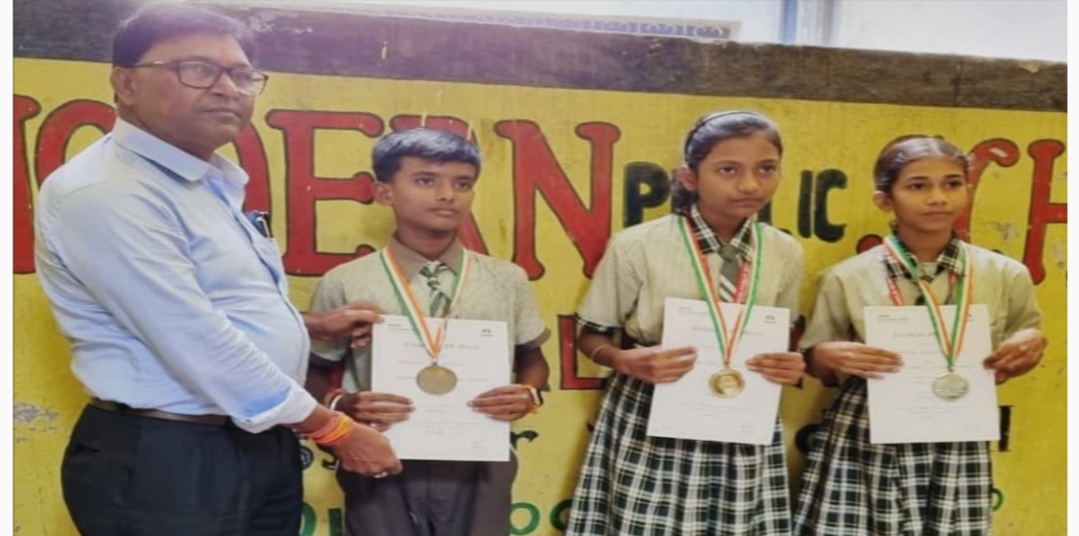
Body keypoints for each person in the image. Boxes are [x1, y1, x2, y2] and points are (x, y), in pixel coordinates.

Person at [33, 4, 400, 535]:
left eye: (241, 74)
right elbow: (193, 335)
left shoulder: (207, 183)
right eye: (198, 70)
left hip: (251, 442)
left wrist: (311, 326)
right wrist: (335, 430)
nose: (228, 88)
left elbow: (206, 303)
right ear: (125, 83)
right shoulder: (108, 190)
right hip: (168, 458)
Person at [565, 110, 806, 535]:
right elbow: (591, 335)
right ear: (690, 177)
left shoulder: (785, 251)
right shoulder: (639, 246)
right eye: (728, 170)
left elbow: (779, 334)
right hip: (652, 411)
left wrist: (788, 363)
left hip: (742, 412)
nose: (750, 185)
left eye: (766, 169)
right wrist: (624, 360)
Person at [793, 135, 1047, 535]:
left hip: (957, 427)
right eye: (917, 186)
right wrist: (824, 355)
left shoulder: (1004, 274)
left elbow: (1024, 339)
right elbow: (815, 362)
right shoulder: (848, 277)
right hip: (869, 428)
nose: (938, 197)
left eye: (952, 183)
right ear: (884, 200)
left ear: (968, 190)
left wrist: (1030, 344)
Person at [305, 127, 551, 536]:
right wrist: (342, 402)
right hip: (380, 453)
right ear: (384, 192)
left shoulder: (507, 279)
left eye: (463, 183)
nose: (447, 195)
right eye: (425, 180)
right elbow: (311, 370)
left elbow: (533, 359)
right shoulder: (347, 281)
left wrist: (528, 393)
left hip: (479, 457)